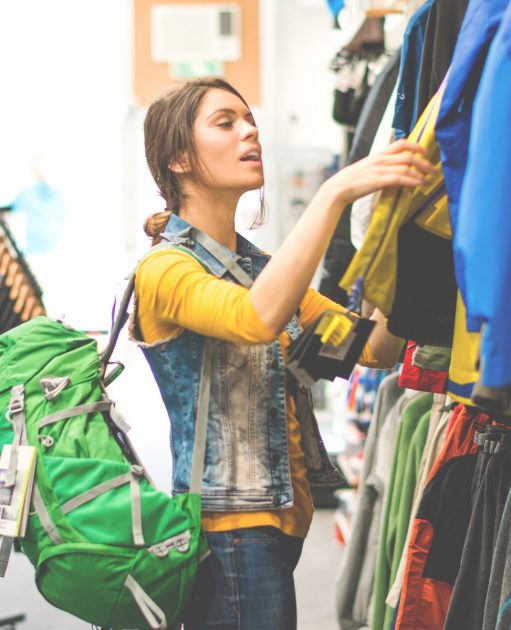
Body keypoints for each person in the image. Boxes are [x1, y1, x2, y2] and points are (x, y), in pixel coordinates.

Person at [133, 77, 434, 630]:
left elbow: (374, 349)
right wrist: (331, 194)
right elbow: (255, 318)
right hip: (229, 536)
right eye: (226, 123)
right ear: (178, 158)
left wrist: (401, 244)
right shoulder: (164, 269)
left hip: (280, 526)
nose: (250, 131)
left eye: (249, 120)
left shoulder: (262, 269)